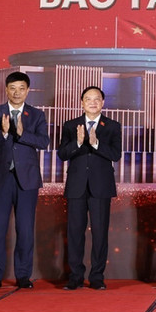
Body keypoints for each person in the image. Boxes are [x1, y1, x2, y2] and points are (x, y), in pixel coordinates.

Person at [0, 71, 50, 289]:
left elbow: (44, 142)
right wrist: (2, 133)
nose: (17, 92)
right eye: (13, 88)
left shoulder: (37, 115)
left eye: (21, 88)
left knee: (26, 229)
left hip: (27, 180)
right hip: (0, 179)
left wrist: (21, 133)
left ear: (27, 90)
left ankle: (22, 276)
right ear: (6, 89)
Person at [57, 86, 122, 290]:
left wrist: (95, 144)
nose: (92, 102)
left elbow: (115, 155)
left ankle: (97, 277)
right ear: (81, 103)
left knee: (100, 233)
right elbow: (62, 154)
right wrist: (78, 142)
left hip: (101, 186)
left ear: (103, 103)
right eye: (88, 99)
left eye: (97, 99)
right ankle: (75, 276)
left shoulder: (112, 126)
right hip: (76, 185)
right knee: (75, 232)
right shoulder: (70, 125)